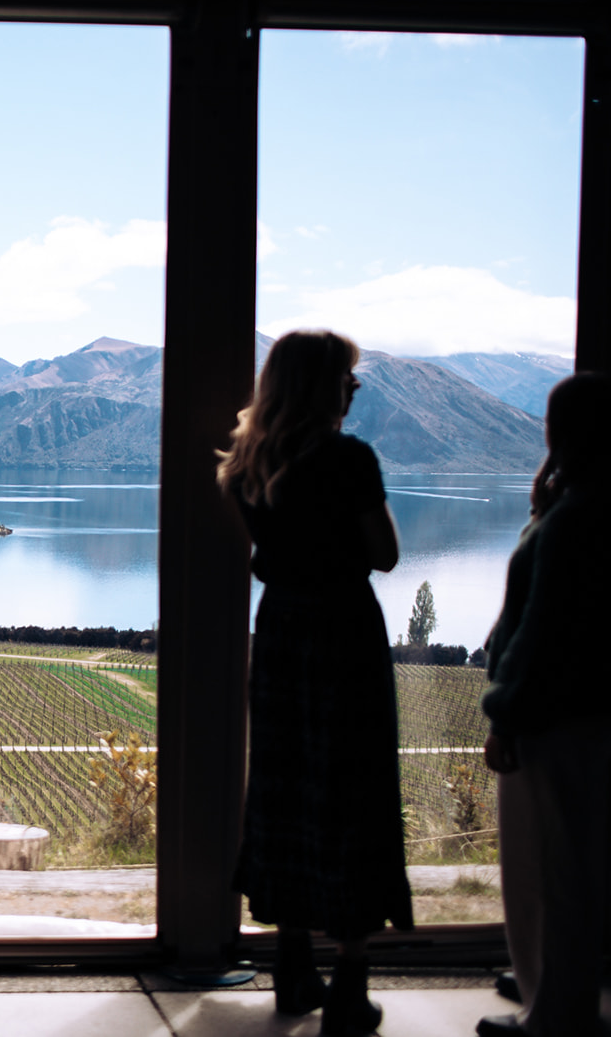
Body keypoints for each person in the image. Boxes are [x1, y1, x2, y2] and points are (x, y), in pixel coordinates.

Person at [217, 329, 413, 1037]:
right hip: (343, 636)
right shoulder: (349, 458)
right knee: (351, 790)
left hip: (280, 638)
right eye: (346, 377)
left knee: (285, 785)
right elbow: (385, 554)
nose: (355, 388)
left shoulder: (246, 465)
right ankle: (351, 984)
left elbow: (268, 553)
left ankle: (292, 965)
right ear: (320, 385)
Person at [477, 373, 611, 1037]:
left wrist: (505, 712)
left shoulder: (576, 519)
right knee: (574, 861)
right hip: (594, 709)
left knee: (553, 869)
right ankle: (551, 980)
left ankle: (555, 1012)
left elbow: (541, 631)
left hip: (553, 714)